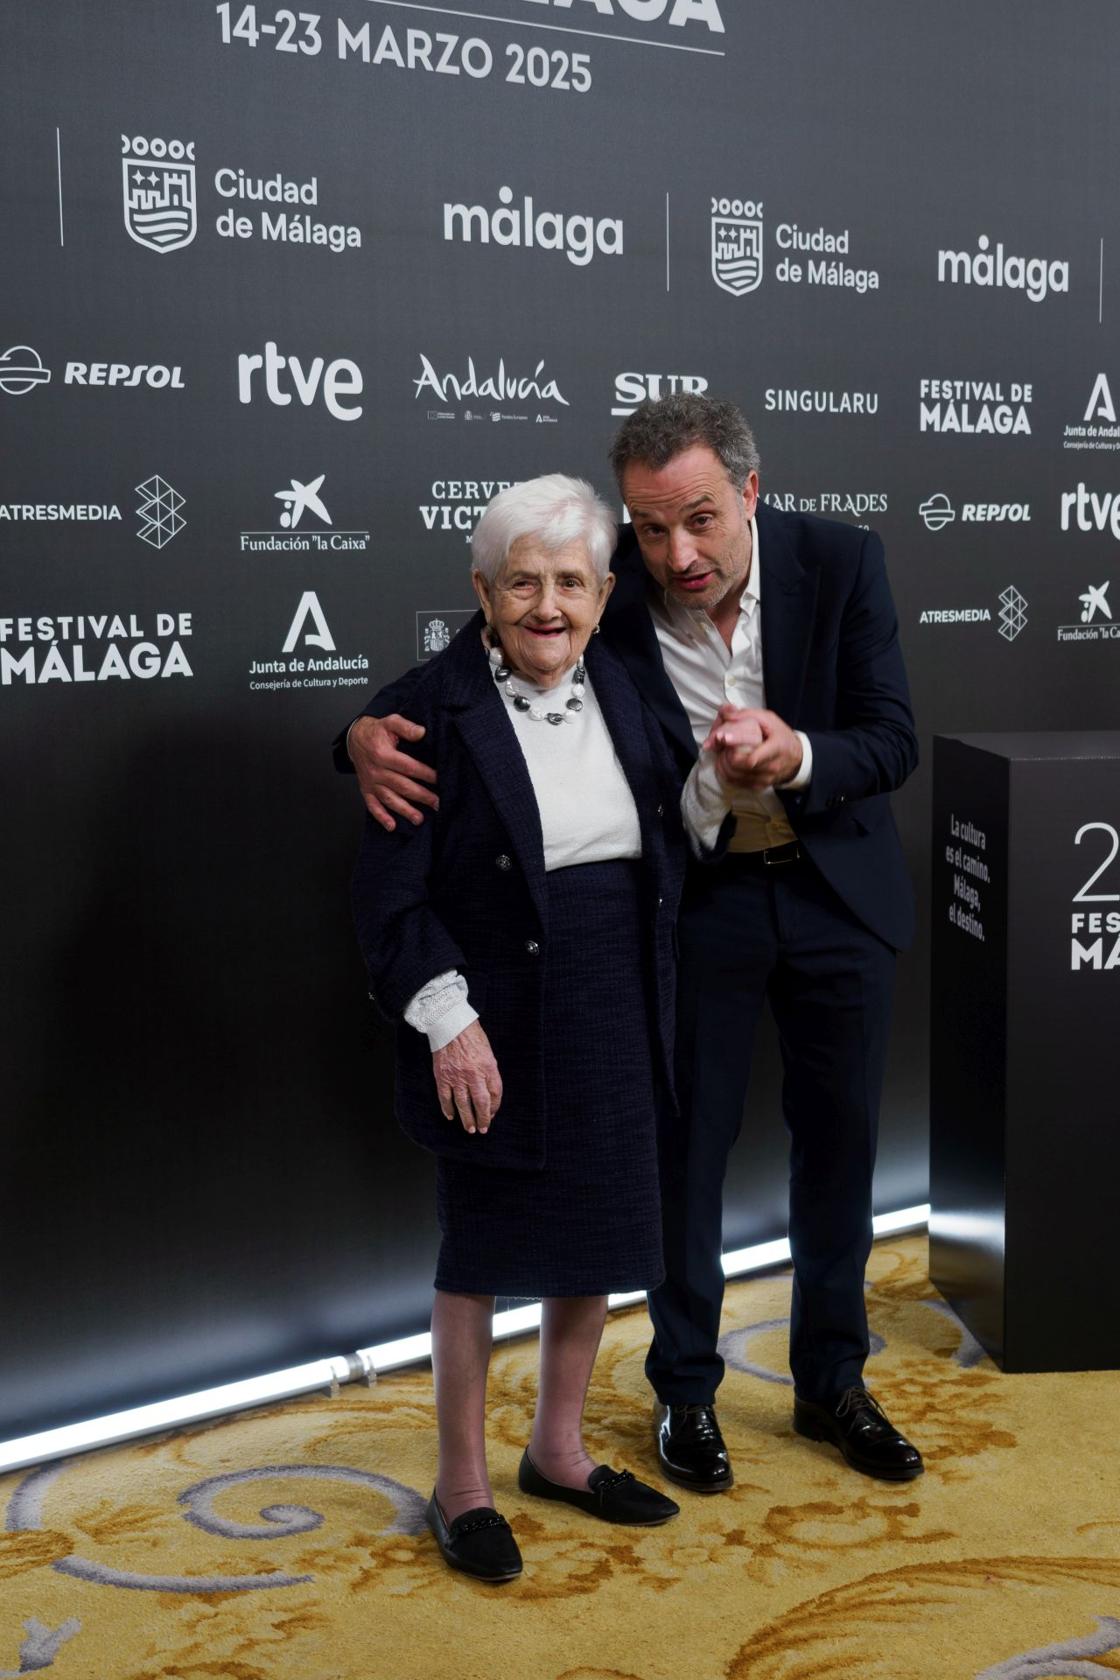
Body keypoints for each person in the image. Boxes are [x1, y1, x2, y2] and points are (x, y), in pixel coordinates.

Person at [343, 395, 923, 1499]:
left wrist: (795, 750)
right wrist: (357, 739)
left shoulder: (843, 562)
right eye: (650, 531)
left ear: (750, 491)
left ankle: (833, 1383)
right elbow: (472, 671)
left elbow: (890, 733)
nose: (679, 554)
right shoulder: (605, 605)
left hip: (833, 897)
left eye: (699, 520)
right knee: (681, 1160)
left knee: (841, 1151)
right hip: (696, 906)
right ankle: (686, 1393)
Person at [351, 474, 684, 1585]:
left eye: (572, 583)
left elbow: (679, 816)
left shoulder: (629, 686)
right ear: (483, 592)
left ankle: (557, 1450)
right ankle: (461, 1486)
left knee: (594, 1235)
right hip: (488, 1014)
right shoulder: (419, 713)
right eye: (525, 583)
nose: (550, 606)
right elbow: (389, 903)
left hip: (613, 1002)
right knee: (480, 1253)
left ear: (602, 595)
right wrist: (450, 1024)